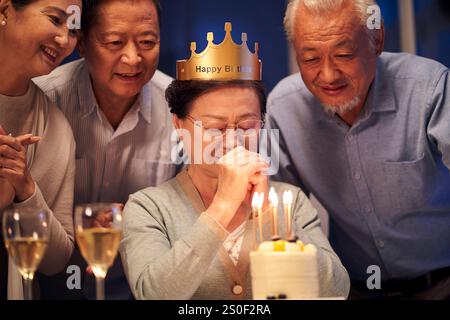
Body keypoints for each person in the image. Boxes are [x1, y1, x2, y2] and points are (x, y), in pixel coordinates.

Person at [120, 24, 350, 300]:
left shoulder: (290, 200)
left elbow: (336, 289)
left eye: (247, 125)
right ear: (179, 125)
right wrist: (223, 205)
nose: (232, 141)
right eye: (215, 128)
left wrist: (268, 215)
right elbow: (152, 294)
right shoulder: (149, 207)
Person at [266, 0, 450, 299]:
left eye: (344, 54)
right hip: (354, 288)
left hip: (442, 282)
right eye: (310, 59)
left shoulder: (429, 89)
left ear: (377, 40)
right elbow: (277, 215)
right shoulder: (284, 108)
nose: (328, 76)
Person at [34, 0, 180, 299]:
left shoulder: (180, 110)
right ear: (83, 43)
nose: (133, 58)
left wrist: (143, 218)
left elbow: (190, 214)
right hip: (48, 287)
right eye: (114, 42)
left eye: (147, 42)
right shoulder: (43, 100)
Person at [0, 0, 80, 299]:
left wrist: (26, 189)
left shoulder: (56, 128)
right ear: (5, 11)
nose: (64, 40)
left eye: (73, 29)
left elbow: (56, 260)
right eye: (55, 19)